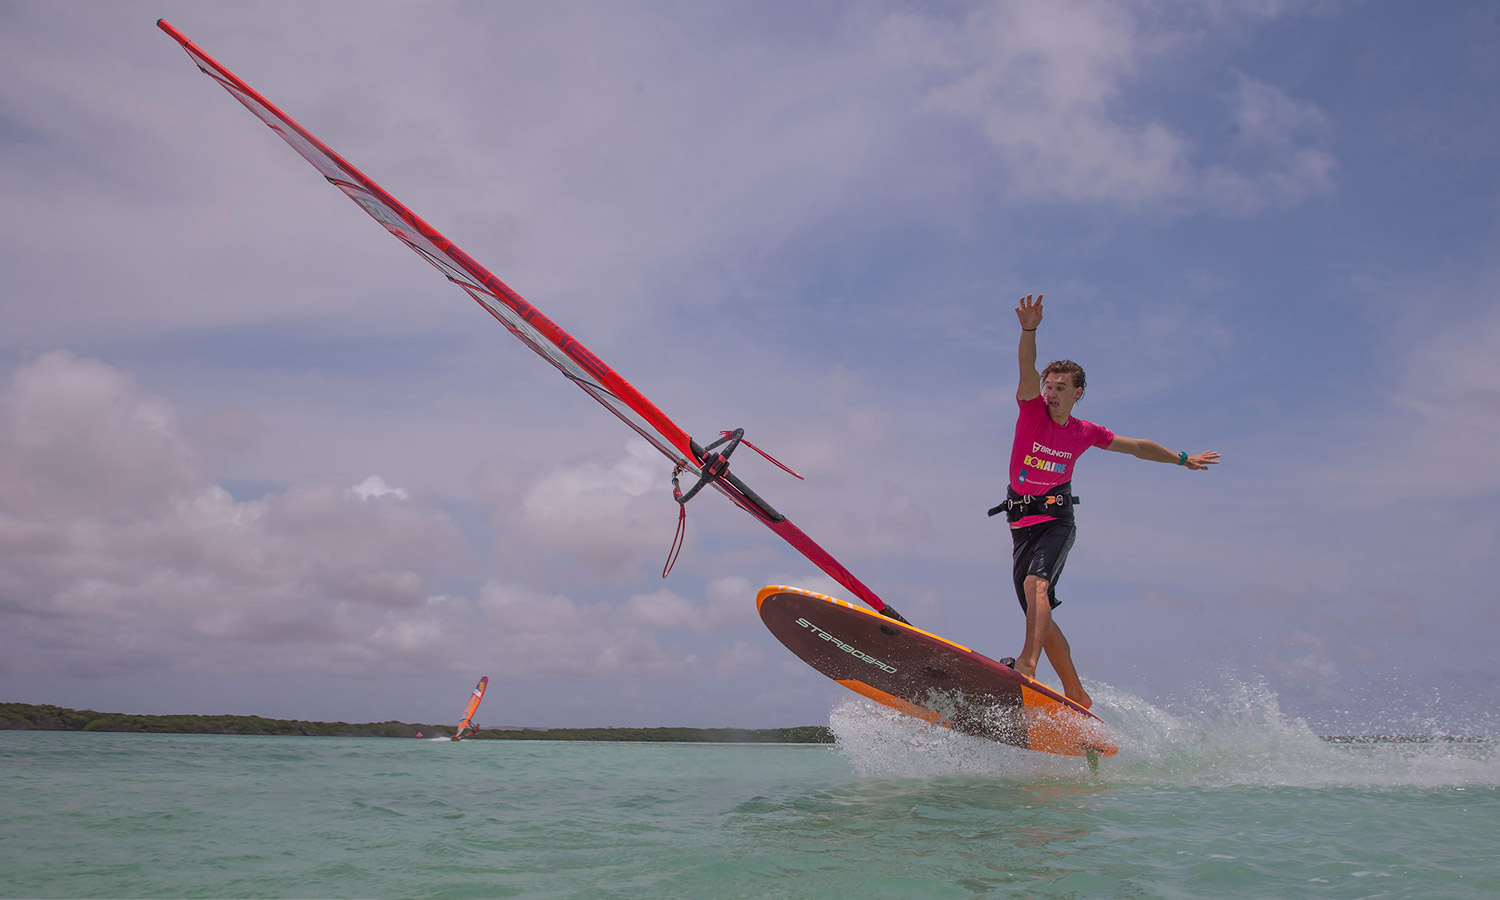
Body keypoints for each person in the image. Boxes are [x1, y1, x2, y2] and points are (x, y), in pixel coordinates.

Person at [998, 294, 1219, 709]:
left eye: (1061, 388)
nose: (1051, 393)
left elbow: (1136, 447)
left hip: (1055, 520)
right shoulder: (1031, 412)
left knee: (1035, 587)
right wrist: (1029, 331)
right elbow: (1025, 367)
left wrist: (1182, 459)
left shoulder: (1084, 432)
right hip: (1019, 524)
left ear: (1078, 393)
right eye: (1048, 386)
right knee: (1037, 608)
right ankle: (1077, 693)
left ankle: (1027, 666)